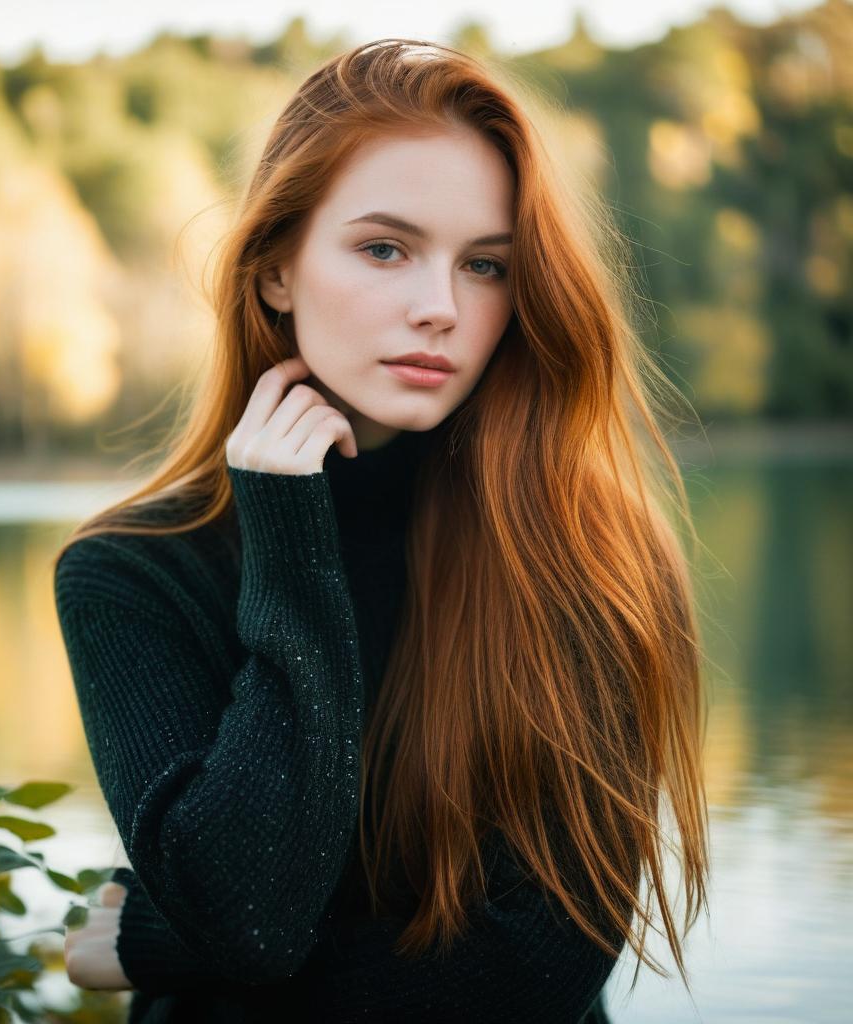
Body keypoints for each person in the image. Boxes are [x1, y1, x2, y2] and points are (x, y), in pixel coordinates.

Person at [54, 38, 710, 1023]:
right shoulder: (132, 575)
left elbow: (522, 979)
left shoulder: (592, 560)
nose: (439, 307)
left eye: (485, 265)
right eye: (383, 248)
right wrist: (291, 545)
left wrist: (154, 938)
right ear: (276, 270)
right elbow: (249, 917)